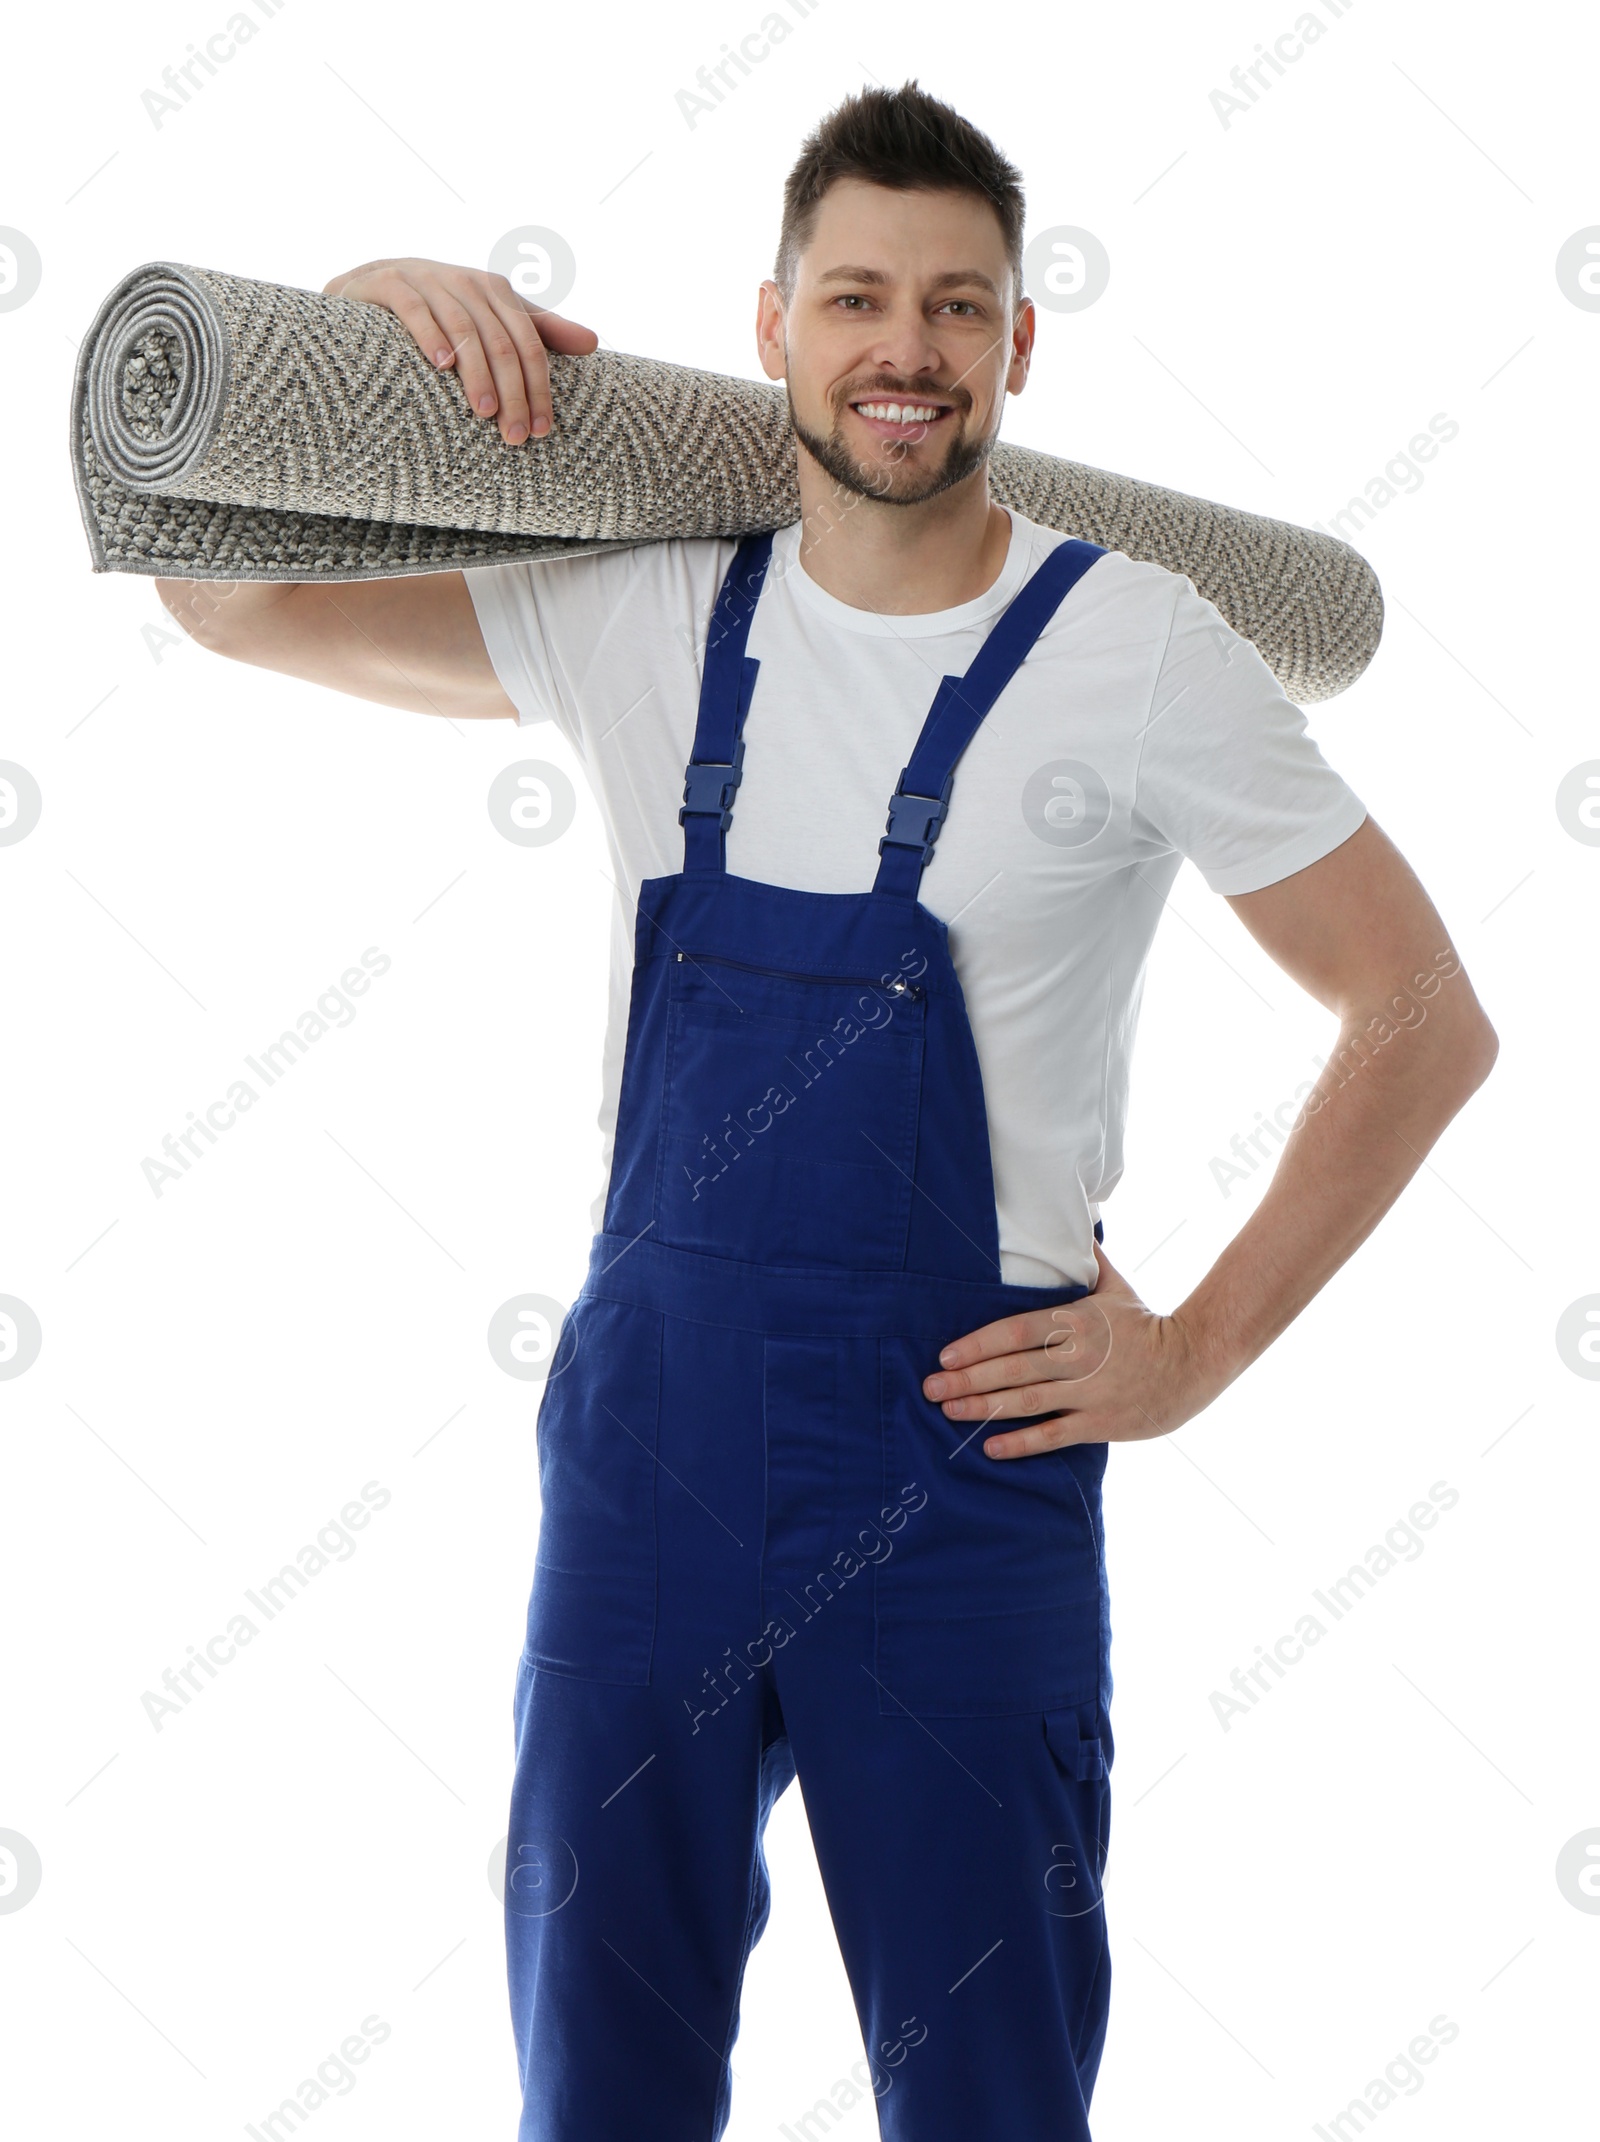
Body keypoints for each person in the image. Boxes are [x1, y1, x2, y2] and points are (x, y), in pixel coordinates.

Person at [154, 79, 1497, 2142]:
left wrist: (1190, 1354)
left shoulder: (1139, 647)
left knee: (987, 2093)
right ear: (769, 322)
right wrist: (358, 332)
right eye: (855, 295)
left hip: (963, 1473)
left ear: (1015, 346)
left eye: (955, 307)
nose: (904, 349)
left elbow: (1416, 1009)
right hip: (650, 1478)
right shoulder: (645, 609)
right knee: (598, 2081)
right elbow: (223, 598)